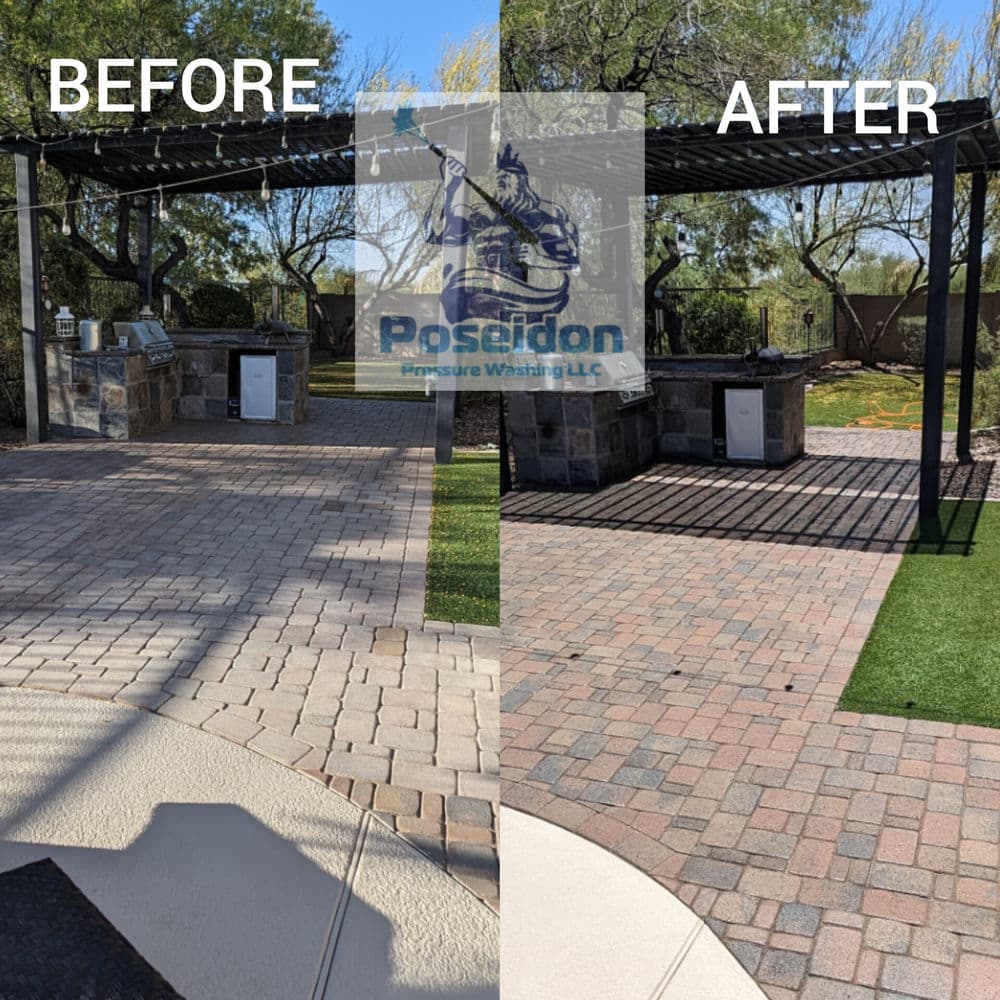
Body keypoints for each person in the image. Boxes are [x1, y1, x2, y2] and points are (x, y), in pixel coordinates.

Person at [423, 144, 579, 323]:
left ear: (520, 181)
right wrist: (449, 184)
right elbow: (431, 234)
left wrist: (538, 260)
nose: (500, 180)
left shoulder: (542, 219)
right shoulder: (479, 218)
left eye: (506, 175)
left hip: (525, 306)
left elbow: (572, 268)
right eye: (498, 175)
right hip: (481, 307)